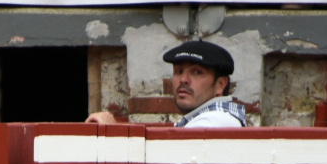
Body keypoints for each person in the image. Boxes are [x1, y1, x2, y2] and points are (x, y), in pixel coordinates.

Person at [87, 40, 246, 129]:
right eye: (178, 71)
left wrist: (113, 132)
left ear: (220, 85)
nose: (183, 79)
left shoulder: (212, 122)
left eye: (197, 72)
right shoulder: (208, 118)